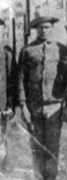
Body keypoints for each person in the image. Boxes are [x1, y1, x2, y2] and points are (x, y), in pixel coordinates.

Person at [18, 16, 67, 180]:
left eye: (48, 27)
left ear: (52, 29)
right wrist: (23, 105)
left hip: (54, 106)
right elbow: (20, 79)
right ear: (36, 29)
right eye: (41, 27)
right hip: (34, 107)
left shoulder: (61, 49)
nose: (44, 30)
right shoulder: (27, 51)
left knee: (52, 148)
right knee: (37, 147)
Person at [0, 19, 17, 171]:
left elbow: (12, 80)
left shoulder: (6, 52)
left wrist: (10, 105)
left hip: (1, 106)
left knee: (1, 141)